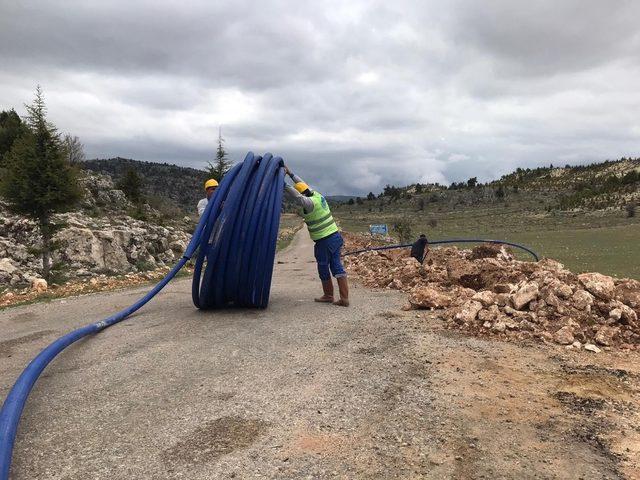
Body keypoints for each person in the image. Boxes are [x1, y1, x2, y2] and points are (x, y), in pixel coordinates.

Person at [283, 165, 349, 307]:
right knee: (335, 265)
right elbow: (302, 185)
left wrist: (282, 184)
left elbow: (297, 196)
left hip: (325, 240)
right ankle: (341, 297)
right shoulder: (317, 196)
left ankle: (330, 296)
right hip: (335, 237)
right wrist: (290, 173)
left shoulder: (309, 203)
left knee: (325, 266)